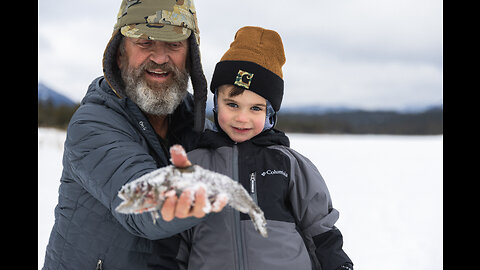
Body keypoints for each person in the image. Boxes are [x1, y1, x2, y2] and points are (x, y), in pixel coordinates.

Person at [42, 1, 226, 269]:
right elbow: (143, 203)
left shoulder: (201, 130)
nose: (160, 58)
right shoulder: (93, 124)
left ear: (190, 57)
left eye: (173, 45)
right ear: (120, 54)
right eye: (145, 42)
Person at [176, 26, 354, 270]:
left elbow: (320, 228)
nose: (242, 118)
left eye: (255, 108)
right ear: (216, 102)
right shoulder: (194, 164)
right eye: (232, 104)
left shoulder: (288, 164)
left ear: (271, 113)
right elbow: (176, 239)